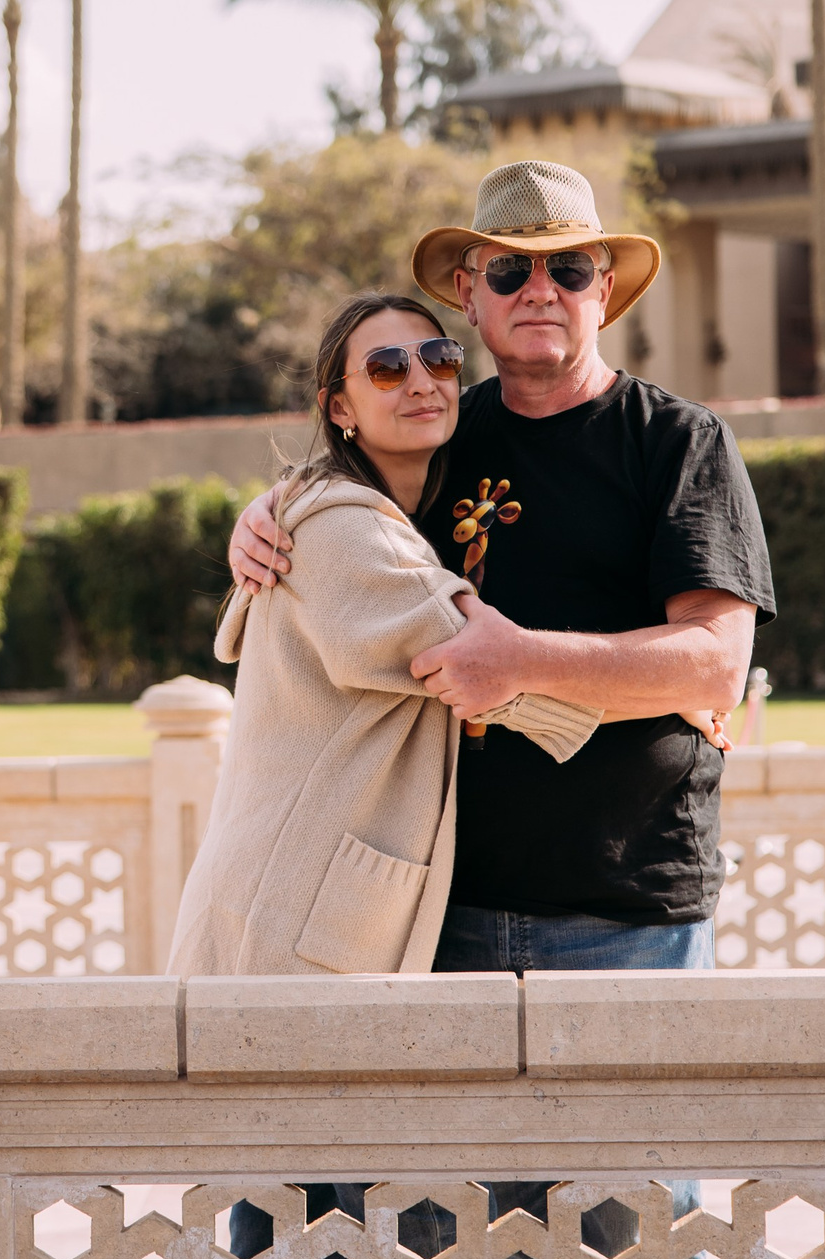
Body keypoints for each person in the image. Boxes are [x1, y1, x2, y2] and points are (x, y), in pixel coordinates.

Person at [227, 159, 774, 973]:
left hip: (628, 916)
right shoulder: (441, 436)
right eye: (511, 270)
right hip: (436, 912)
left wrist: (521, 660)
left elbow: (717, 666)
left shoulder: (678, 443)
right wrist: (276, 506)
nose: (540, 290)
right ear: (470, 294)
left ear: (603, 291)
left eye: (570, 268)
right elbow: (351, 511)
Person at [171, 292, 598, 979]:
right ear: (340, 408)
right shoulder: (344, 529)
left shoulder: (355, 511)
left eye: (440, 358)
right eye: (388, 368)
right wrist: (673, 694)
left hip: (298, 899)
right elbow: (486, 663)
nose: (422, 382)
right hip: (287, 912)